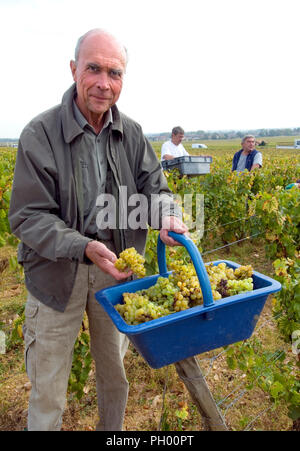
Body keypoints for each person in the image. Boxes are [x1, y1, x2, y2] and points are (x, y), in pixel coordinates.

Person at [8, 29, 188, 431]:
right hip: (56, 276)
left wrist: (166, 215)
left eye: (115, 73)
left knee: (115, 376)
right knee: (48, 388)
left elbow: (154, 190)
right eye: (94, 69)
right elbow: (29, 215)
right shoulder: (40, 134)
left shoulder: (133, 134)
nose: (104, 84)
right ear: (74, 70)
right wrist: (83, 246)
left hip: (116, 275)